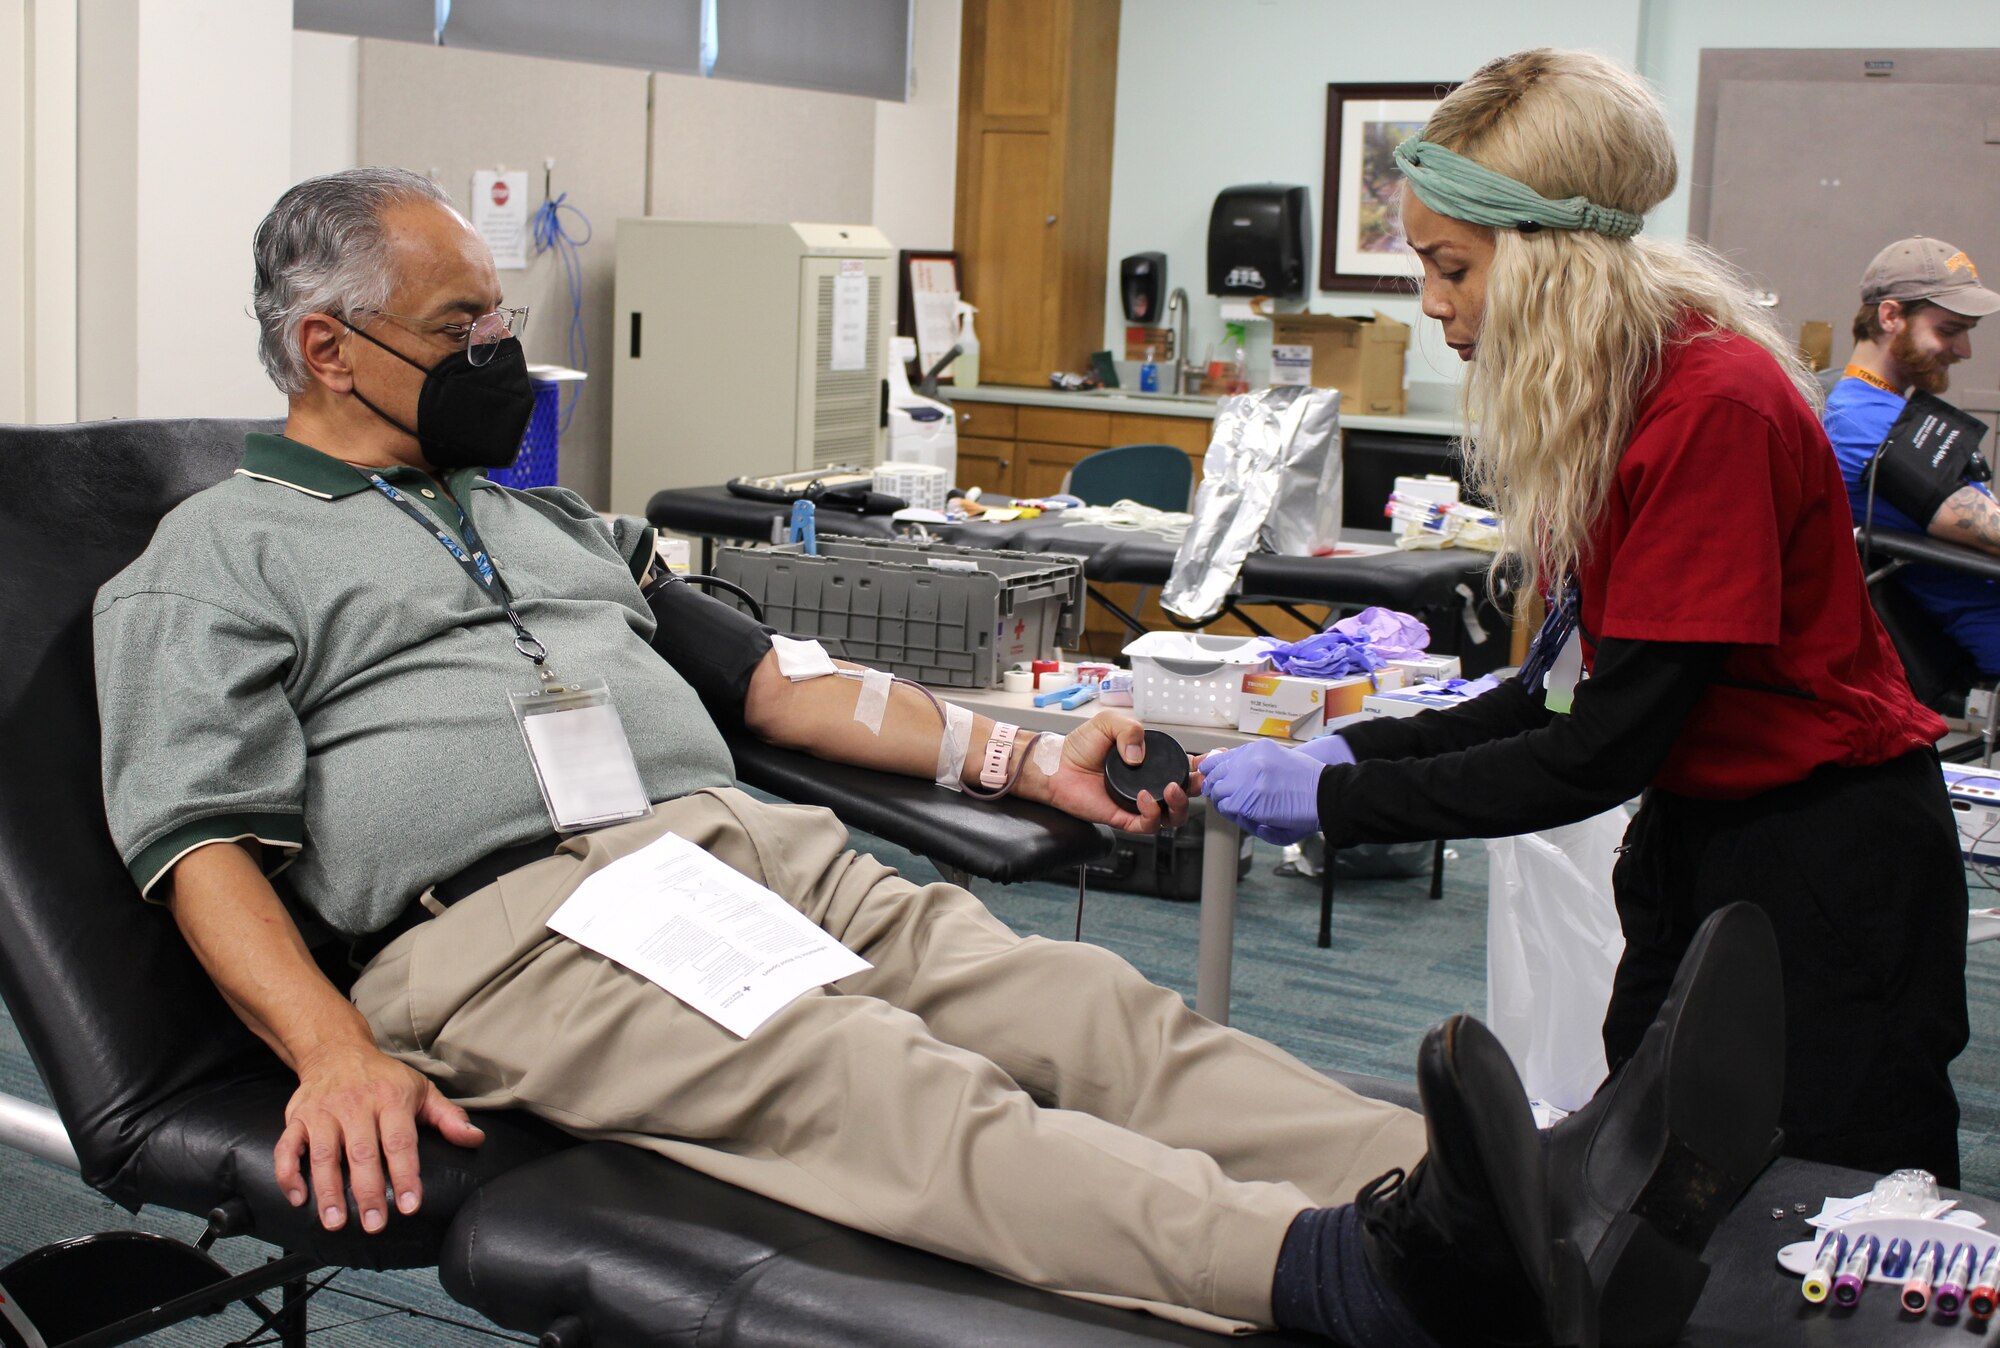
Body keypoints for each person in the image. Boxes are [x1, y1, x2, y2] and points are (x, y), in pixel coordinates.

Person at [94, 165, 1778, 1348]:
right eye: (461, 320)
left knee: (1089, 1008)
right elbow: (198, 842)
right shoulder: (220, 551)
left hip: (723, 854)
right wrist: (326, 1050)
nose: (497, 352)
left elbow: (778, 685)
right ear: (330, 346)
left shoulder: (545, 516)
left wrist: (1017, 758)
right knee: (898, 1095)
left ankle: (1536, 1188)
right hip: (507, 932)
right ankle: (1346, 1269)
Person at [1204, 50, 1968, 1190]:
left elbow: (1600, 745)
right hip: (1704, 837)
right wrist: (1349, 745)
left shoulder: (1707, 409)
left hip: (1823, 860)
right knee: (1660, 1173)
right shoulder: (1611, 400)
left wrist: (1339, 800)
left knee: (1817, 1208)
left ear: (1544, 260)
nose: (1428, 301)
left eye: (1448, 265)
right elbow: (1549, 689)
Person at [1824, 236, 2000, 671]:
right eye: (1949, 330)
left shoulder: (1889, 409)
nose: (1964, 351)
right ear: (1890, 316)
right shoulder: (1865, 424)